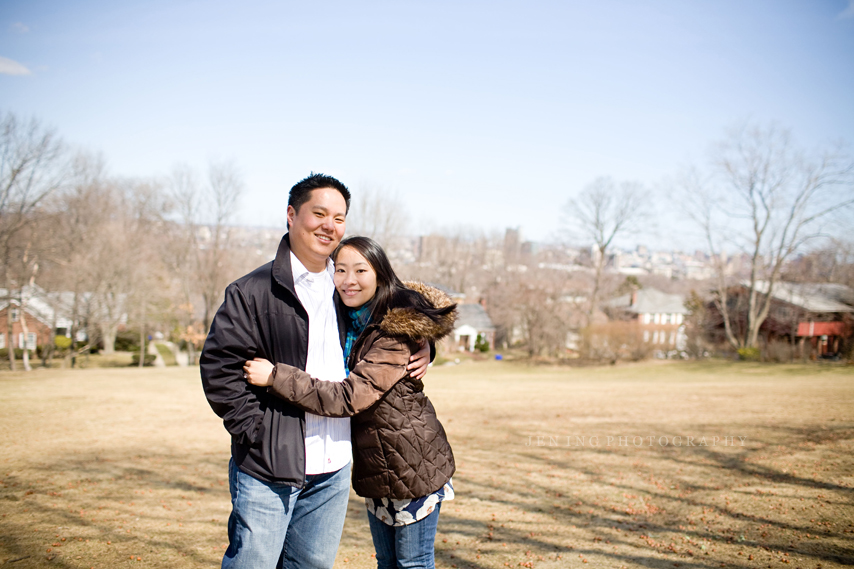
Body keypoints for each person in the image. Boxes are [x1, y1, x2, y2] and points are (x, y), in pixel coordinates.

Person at [200, 174, 432, 569]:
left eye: (339, 218)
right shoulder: (252, 291)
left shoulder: (348, 286)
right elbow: (219, 368)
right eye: (319, 214)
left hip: (335, 466)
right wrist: (255, 432)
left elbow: (399, 318)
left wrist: (425, 345)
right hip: (269, 462)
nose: (330, 226)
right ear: (291, 215)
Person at [244, 235, 457, 569]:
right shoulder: (350, 318)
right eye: (340, 269)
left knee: (412, 562)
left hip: (412, 462)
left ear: (380, 274)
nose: (349, 280)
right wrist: (428, 344)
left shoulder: (392, 331)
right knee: (387, 561)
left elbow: (348, 397)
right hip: (378, 463)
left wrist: (276, 376)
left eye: (360, 270)